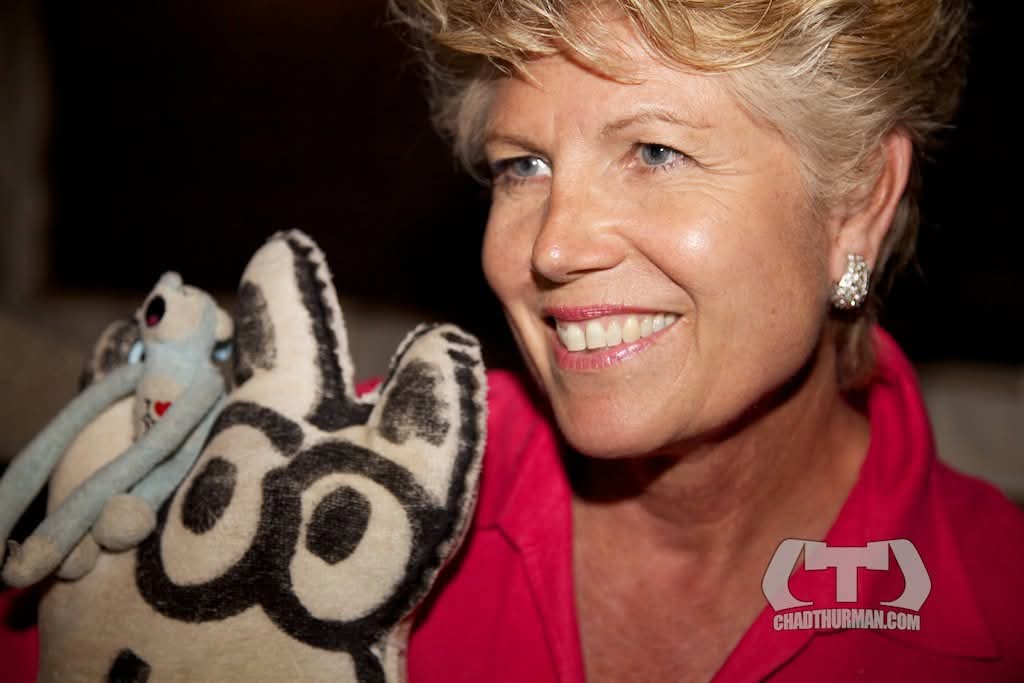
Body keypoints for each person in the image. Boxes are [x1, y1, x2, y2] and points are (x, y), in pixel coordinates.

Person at [388, 1, 1024, 681]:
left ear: (859, 201)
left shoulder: (1003, 605)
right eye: (523, 167)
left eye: (656, 153)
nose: (555, 246)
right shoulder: (344, 485)